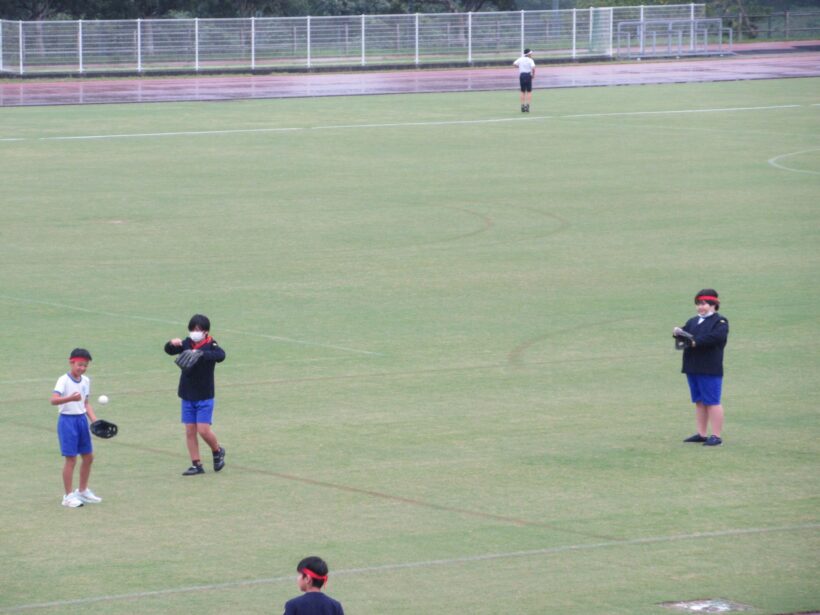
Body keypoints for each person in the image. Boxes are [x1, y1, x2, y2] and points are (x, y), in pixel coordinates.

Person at [164, 314, 226, 475]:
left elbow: (221, 355)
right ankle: (196, 464)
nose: (194, 332)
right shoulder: (186, 343)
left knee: (203, 430)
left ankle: (217, 450)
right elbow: (169, 351)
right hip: (187, 394)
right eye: (192, 329)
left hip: (205, 395)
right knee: (190, 430)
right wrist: (171, 343)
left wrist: (201, 354)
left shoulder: (211, 344)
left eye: (198, 329)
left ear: (205, 331)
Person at [674, 289, 729, 446]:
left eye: (704, 304)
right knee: (699, 401)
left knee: (712, 401)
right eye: (698, 304)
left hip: (709, 367)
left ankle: (716, 436)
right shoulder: (693, 321)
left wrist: (694, 341)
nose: (700, 307)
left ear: (714, 305)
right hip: (692, 366)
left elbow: (716, 337)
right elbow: (684, 335)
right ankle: (702, 434)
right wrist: (678, 332)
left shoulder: (720, 322)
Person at [51, 348, 102, 508]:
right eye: (79, 365)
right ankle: (67, 496)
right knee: (71, 459)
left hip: (81, 421)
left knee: (88, 457)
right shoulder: (63, 380)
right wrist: (70, 398)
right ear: (71, 362)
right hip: (67, 422)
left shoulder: (86, 381)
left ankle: (82, 490)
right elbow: (53, 400)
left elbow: (85, 403)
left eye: (85, 365)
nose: (82, 368)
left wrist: (94, 420)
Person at [513, 48, 536, 113]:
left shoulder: (520, 59)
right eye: (530, 53)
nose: (531, 54)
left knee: (522, 91)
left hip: (522, 75)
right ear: (528, 54)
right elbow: (533, 68)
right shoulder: (530, 60)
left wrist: (519, 67)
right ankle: (527, 106)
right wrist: (533, 75)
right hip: (528, 75)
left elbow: (514, 64)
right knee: (529, 91)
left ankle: (522, 106)